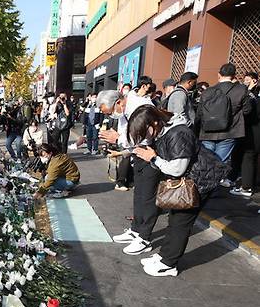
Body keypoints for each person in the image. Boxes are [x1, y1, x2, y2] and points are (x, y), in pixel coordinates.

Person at [127, 105, 221, 277]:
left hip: (200, 180)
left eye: (144, 132)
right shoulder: (166, 130)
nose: (145, 137)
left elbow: (177, 168)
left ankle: (169, 263)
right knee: (174, 218)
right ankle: (164, 255)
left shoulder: (179, 133)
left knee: (181, 223)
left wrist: (153, 158)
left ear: (155, 122)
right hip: (190, 179)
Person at [97, 91, 163, 255]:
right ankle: (136, 230)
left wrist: (117, 139)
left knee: (148, 198)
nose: (111, 115)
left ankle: (145, 238)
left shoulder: (139, 107)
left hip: (149, 155)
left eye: (110, 111)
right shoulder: (124, 111)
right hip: (137, 154)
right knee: (139, 194)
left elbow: (143, 136)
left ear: (118, 102)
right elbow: (126, 136)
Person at [198, 63, 252, 187]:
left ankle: (201, 186)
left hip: (207, 131)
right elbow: (247, 110)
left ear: (219, 75)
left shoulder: (208, 91)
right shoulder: (241, 90)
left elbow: (199, 113)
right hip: (230, 131)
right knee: (219, 162)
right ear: (234, 76)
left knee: (206, 160)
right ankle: (208, 188)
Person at [230, 72, 260, 197]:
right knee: (250, 157)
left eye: (248, 80)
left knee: (249, 156)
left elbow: (251, 111)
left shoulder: (252, 95)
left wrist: (249, 91)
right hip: (250, 130)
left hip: (254, 130)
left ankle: (247, 187)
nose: (246, 82)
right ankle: (250, 184)